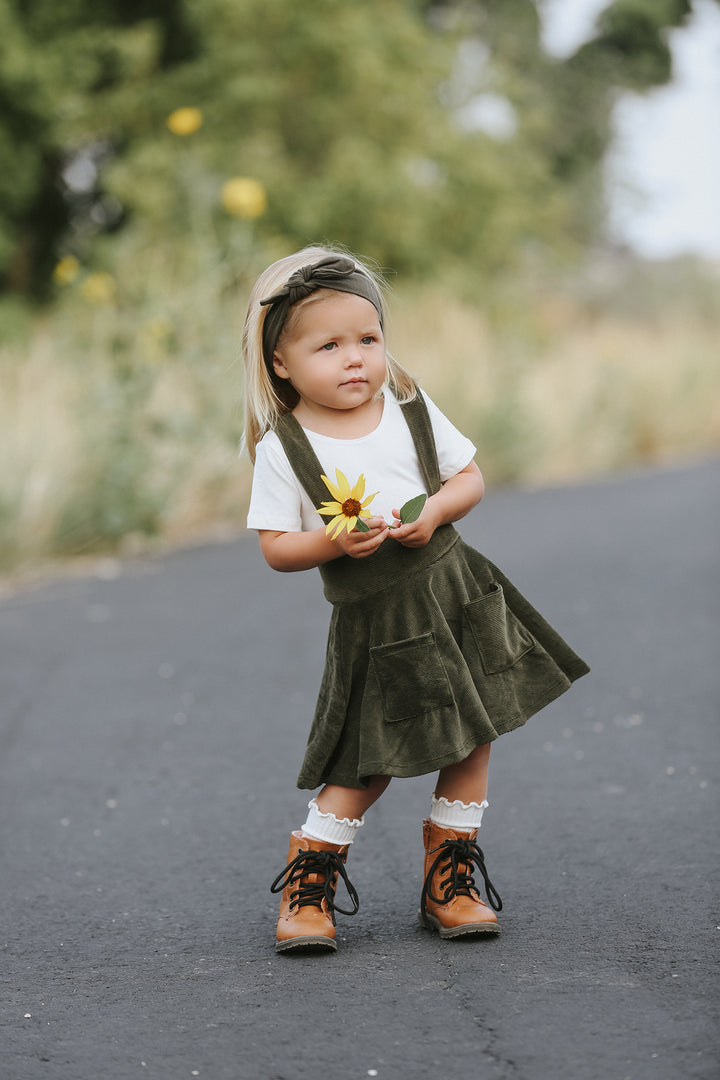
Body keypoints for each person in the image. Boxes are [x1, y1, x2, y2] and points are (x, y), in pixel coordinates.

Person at [242, 245, 589, 953]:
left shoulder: (409, 408)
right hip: (380, 622)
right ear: (281, 363)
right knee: (365, 764)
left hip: (455, 592)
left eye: (368, 340)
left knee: (473, 735)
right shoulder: (287, 448)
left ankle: (449, 882)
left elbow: (469, 478)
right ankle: (310, 883)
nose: (356, 359)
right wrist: (334, 543)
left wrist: (433, 511)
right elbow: (277, 547)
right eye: (329, 345)